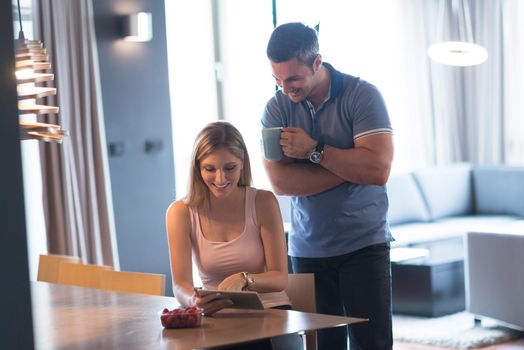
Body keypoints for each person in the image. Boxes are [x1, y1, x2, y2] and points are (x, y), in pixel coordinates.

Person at [262, 22, 394, 350]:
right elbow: (281, 182)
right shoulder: (276, 108)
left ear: (317, 62)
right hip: (308, 252)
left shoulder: (363, 95)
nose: (285, 87)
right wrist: (350, 166)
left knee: (372, 346)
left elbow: (378, 169)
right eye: (277, 79)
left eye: (293, 78)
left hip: (364, 246)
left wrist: (313, 151)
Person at [165, 121, 302, 350]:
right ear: (197, 168)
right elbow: (180, 285)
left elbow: (280, 278)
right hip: (217, 318)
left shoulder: (263, 202)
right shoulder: (180, 212)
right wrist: (194, 301)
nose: (220, 179)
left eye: (229, 168)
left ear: (242, 164)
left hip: (270, 312)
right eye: (210, 169)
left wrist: (245, 279)